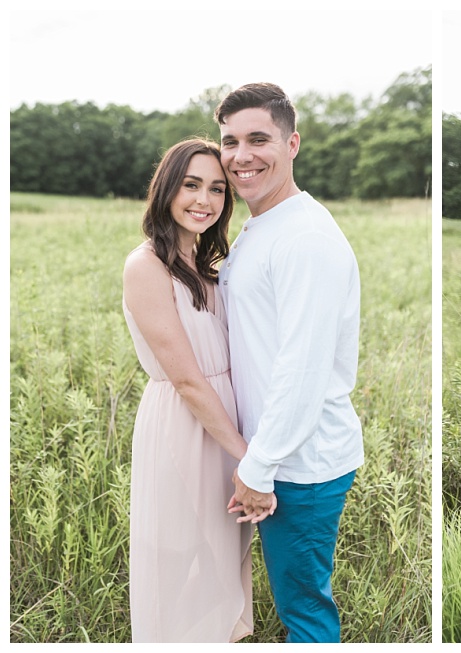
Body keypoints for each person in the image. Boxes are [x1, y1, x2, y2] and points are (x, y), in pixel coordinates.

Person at [217, 82, 364, 643]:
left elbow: (302, 368)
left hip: (300, 462)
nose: (241, 156)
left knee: (303, 609)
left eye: (259, 139)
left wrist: (260, 467)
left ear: (292, 143)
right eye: (230, 141)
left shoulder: (305, 237)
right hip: (270, 453)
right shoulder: (262, 226)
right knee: (286, 596)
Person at [122, 138, 268, 642]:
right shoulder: (146, 266)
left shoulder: (209, 268)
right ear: (166, 188)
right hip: (184, 427)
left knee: (221, 558)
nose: (204, 200)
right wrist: (250, 459)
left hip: (223, 426)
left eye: (217, 189)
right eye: (191, 185)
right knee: (181, 558)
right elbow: (186, 378)